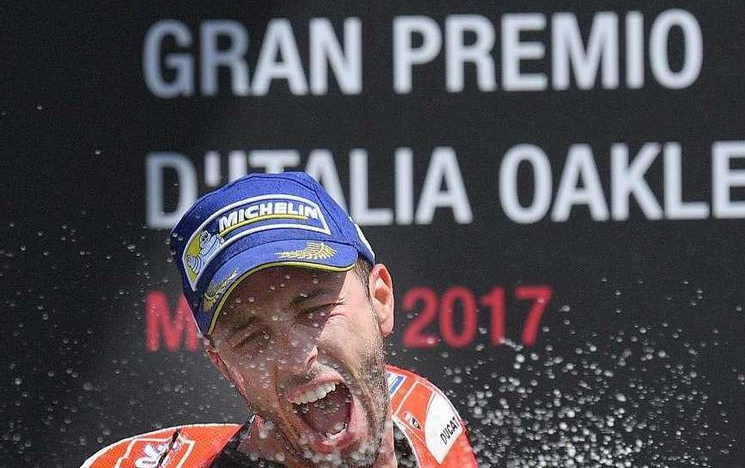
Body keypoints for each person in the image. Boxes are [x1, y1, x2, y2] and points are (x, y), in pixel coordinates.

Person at [82, 172, 478, 467]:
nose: (295, 357)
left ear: (381, 300)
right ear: (224, 364)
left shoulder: (425, 416)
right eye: (252, 337)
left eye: (313, 310)